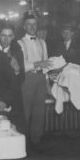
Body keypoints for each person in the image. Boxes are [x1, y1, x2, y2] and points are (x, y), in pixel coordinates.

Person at [17, 14, 52, 150]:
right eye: (29, 24)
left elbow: (46, 64)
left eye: (34, 24)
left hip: (40, 79)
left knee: (39, 112)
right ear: (24, 26)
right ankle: (23, 142)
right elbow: (21, 67)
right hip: (27, 79)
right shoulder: (19, 43)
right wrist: (38, 64)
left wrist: (47, 83)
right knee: (25, 111)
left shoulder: (42, 42)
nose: (32, 27)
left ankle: (36, 141)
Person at [0, 23, 27, 133]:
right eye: (3, 35)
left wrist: (16, 71)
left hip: (13, 95)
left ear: (13, 37)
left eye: (9, 36)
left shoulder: (17, 51)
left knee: (16, 128)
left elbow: (22, 77)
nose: (6, 39)